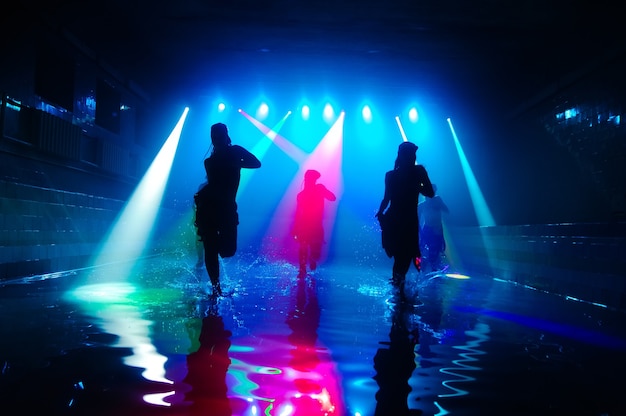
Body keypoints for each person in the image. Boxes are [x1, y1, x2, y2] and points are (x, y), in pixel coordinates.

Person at [194, 123, 261, 296]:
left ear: (226, 135)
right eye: (213, 136)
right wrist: (236, 160)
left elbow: (256, 163)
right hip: (210, 207)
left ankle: (215, 282)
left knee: (227, 250)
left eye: (219, 135)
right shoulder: (209, 162)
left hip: (226, 208)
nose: (216, 138)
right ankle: (216, 288)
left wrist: (236, 159)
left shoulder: (235, 152)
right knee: (210, 249)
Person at [376, 141, 434, 296]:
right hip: (397, 220)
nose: (412, 156)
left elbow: (430, 192)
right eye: (410, 153)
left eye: (413, 154)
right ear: (403, 155)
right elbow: (386, 198)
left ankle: (398, 286)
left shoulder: (418, 171)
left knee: (404, 256)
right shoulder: (393, 175)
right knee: (402, 256)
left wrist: (417, 187)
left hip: (405, 221)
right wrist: (380, 212)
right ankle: (399, 288)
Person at [291, 169, 336, 276]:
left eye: (313, 179)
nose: (311, 181)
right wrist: (296, 227)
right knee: (303, 246)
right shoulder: (302, 195)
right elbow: (298, 212)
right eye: (310, 179)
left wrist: (323, 190)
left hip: (315, 224)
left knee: (314, 250)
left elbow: (332, 198)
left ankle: (310, 260)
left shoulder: (318, 189)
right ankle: (302, 268)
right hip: (306, 224)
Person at [418, 183, 449, 270]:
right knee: (422, 250)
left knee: (434, 252)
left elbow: (446, 210)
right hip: (428, 229)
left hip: (436, 229)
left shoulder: (437, 200)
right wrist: (421, 233)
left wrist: (439, 204)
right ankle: (423, 268)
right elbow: (416, 221)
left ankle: (433, 269)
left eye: (433, 191)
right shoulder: (421, 205)